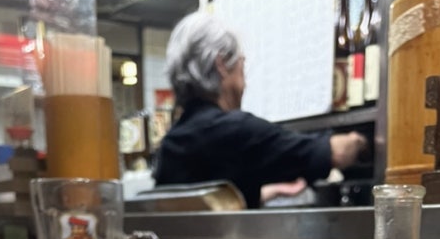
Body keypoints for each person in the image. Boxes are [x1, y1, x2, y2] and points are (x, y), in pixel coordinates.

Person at [154, 11, 369, 208]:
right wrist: (362, 141)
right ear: (221, 64)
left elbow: (207, 207)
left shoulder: (170, 145)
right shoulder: (237, 130)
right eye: (242, 64)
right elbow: (335, 152)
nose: (245, 81)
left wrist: (266, 193)